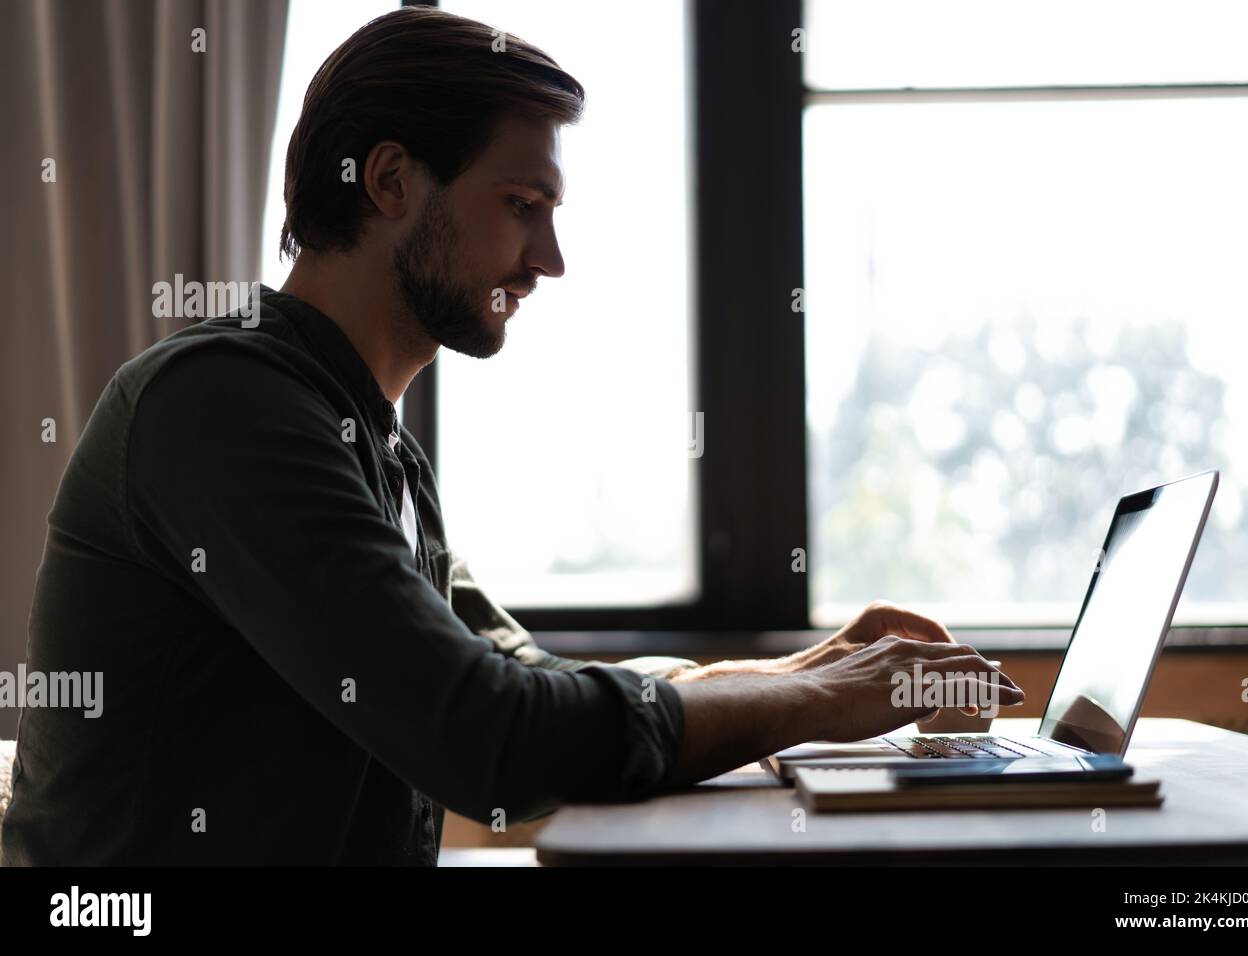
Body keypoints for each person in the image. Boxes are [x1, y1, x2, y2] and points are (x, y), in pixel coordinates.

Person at [0, 7, 1021, 866]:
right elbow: (491, 739)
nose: (550, 258)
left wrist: (813, 668)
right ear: (391, 181)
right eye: (522, 205)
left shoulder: (375, 448)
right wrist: (817, 700)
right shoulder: (222, 407)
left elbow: (527, 683)